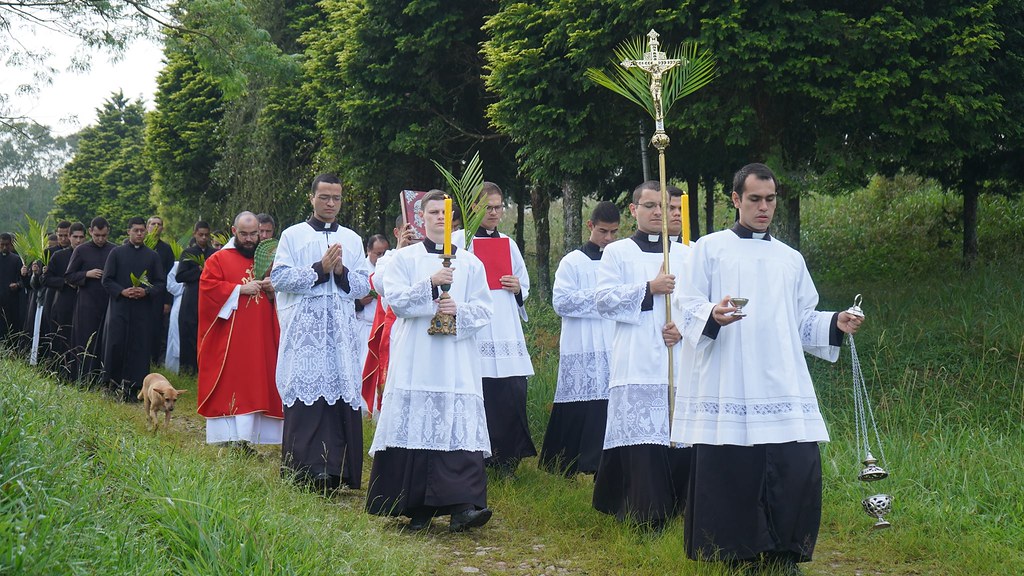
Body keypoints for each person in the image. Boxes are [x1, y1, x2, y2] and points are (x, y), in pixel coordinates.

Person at [672, 163, 864, 574]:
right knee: (733, 467)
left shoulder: (789, 258)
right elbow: (684, 303)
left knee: (796, 467)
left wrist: (834, 322)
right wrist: (712, 313)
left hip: (781, 378)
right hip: (728, 376)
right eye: (755, 199)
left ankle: (784, 552)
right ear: (736, 199)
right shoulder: (709, 248)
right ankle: (733, 551)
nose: (764, 207)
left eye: (770, 199)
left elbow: (801, 318)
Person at [366, 190, 495, 531]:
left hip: (456, 359)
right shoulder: (403, 259)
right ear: (422, 217)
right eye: (433, 211)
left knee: (457, 427)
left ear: (453, 219)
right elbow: (395, 302)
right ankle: (417, 509)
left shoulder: (470, 262)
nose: (440, 217)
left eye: (445, 212)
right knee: (419, 425)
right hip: (417, 357)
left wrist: (459, 311)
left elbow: (485, 309)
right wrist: (432, 286)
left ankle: (463, 507)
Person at [591, 180, 690, 531]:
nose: (659, 212)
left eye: (666, 206)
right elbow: (603, 301)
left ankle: (681, 507)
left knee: (678, 436)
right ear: (634, 210)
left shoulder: (686, 253)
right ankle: (645, 513)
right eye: (650, 206)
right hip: (635, 358)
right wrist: (650, 288)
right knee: (643, 439)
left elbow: (698, 304)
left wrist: (682, 328)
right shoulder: (617, 253)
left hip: (677, 357)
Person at [271, 173, 371, 491]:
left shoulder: (353, 240)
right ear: (312, 198)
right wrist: (319, 269)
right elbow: (280, 279)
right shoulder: (292, 236)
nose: (330, 203)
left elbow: (364, 286)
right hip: (305, 333)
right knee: (307, 398)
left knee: (338, 397)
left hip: (341, 334)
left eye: (336, 198)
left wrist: (340, 271)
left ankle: (335, 470)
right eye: (324, 197)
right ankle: (304, 469)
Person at [451, 182, 536, 478]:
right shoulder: (459, 241)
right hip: (476, 329)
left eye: (499, 207)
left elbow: (524, 283)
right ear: (473, 207)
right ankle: (477, 458)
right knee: (481, 391)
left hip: (505, 328)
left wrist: (517, 288)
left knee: (511, 392)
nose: (494, 213)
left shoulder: (509, 243)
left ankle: (507, 460)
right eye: (488, 207)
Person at [539, 201, 620, 476]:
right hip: (581, 342)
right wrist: (603, 300)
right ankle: (564, 463)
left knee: (607, 402)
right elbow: (561, 302)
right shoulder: (572, 261)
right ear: (590, 226)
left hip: (611, 340)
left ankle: (599, 465)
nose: (608, 239)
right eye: (602, 232)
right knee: (578, 402)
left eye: (613, 233)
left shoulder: (619, 259)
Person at [197, 212, 283, 448]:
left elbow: (282, 294)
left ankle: (251, 439)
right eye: (243, 234)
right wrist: (239, 290)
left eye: (253, 234)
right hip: (231, 337)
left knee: (258, 382)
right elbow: (208, 289)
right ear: (234, 231)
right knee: (234, 383)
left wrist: (272, 290)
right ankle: (228, 438)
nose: (249, 239)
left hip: (261, 334)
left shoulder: (268, 260)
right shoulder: (218, 259)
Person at [101, 217, 166, 400]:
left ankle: (136, 388)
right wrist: (122, 291)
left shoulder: (152, 256)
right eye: (135, 230)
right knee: (115, 344)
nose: (139, 234)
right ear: (128, 231)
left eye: (142, 231)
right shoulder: (116, 253)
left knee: (140, 346)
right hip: (119, 307)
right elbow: (106, 280)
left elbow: (161, 283)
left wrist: (145, 292)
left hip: (142, 310)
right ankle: (111, 384)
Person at [361, 217, 416, 414]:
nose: (413, 233)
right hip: (397, 329)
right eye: (407, 229)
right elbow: (382, 286)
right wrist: (401, 250)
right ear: (397, 232)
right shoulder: (388, 258)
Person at [65, 218, 115, 382]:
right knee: (85, 340)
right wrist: (87, 274)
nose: (100, 239)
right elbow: (69, 276)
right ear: (90, 231)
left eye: (104, 235)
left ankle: (106, 378)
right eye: (97, 235)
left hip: (109, 303)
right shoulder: (81, 250)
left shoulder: (115, 250)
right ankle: (83, 378)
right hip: (87, 304)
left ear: (108, 232)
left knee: (107, 341)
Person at [41, 222, 86, 377]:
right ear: (70, 237)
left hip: (85, 304)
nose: (78, 241)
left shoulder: (89, 254)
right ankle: (60, 371)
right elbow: (46, 279)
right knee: (62, 338)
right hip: (63, 303)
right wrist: (65, 282)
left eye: (81, 237)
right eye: (75, 237)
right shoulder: (59, 256)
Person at [176, 221, 215, 374]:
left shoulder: (214, 253)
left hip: (209, 298)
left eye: (206, 235)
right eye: (200, 235)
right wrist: (199, 271)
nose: (203, 238)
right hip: (191, 297)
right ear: (194, 234)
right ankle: (187, 369)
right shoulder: (188, 253)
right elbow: (180, 276)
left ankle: (206, 368)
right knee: (188, 332)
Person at [355, 233, 389, 389]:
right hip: (362, 325)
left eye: (384, 252)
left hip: (381, 325)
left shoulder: (390, 266)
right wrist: (359, 303)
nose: (381, 256)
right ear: (368, 251)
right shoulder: (360, 268)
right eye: (378, 253)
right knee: (361, 365)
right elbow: (346, 297)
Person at [147, 216, 175, 365]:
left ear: (162, 228)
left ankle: (156, 361)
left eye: (159, 224)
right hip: (139, 294)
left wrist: (167, 301)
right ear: (147, 227)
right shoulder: (140, 245)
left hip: (159, 296)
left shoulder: (166, 249)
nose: (156, 226)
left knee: (157, 329)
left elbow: (170, 277)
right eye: (153, 224)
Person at [0, 233, 23, 344]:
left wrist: (17, 285)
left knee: (11, 331)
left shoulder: (16, 260)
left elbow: (23, 280)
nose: (4, 247)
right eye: (2, 245)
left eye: (7, 245)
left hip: (11, 303)